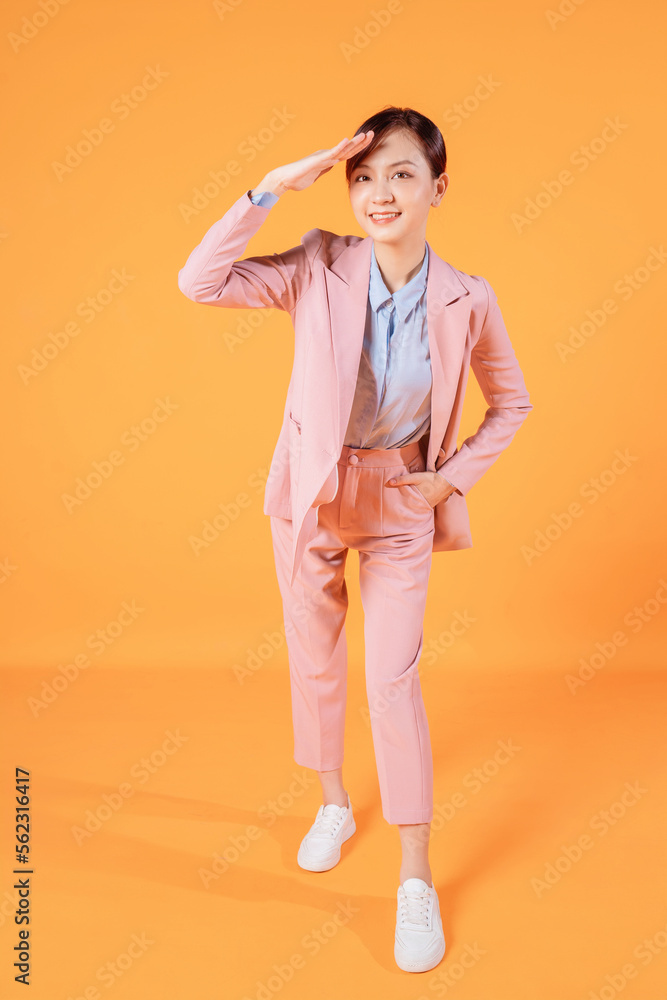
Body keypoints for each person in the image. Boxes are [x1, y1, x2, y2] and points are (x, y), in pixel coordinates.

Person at [178, 106, 533, 974]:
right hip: (309, 491)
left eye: (401, 174)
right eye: (364, 176)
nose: (379, 193)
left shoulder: (467, 297)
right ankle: (333, 801)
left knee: (391, 677)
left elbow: (511, 401)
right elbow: (199, 282)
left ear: (437, 189)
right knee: (316, 655)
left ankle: (415, 876)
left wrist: (450, 478)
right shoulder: (315, 264)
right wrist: (270, 187)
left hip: (401, 495)